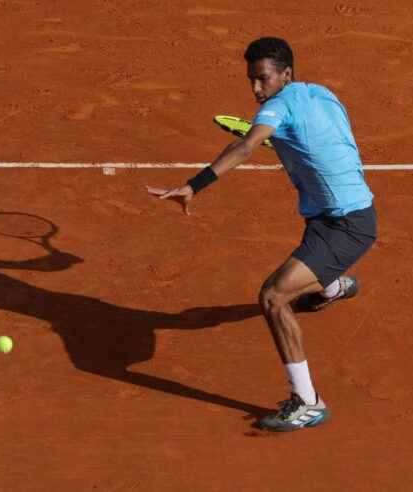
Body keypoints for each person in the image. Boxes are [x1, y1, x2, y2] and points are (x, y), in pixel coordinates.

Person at [146, 37, 377, 432]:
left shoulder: (277, 107)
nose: (256, 89)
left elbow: (245, 147)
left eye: (263, 79)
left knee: (273, 297)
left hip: (346, 226)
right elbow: (323, 140)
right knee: (303, 271)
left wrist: (194, 185)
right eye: (252, 80)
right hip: (332, 215)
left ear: (285, 74)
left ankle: (308, 401)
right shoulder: (321, 94)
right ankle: (332, 287)